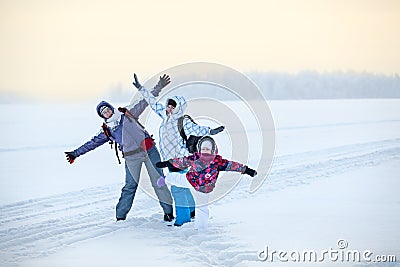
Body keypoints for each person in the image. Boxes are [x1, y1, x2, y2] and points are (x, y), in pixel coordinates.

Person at [64, 75, 174, 222]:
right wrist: (75, 153)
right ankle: (120, 217)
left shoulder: (128, 113)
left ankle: (168, 213)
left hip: (149, 151)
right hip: (132, 158)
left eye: (107, 109)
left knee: (158, 181)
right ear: (102, 116)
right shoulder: (107, 130)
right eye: (103, 113)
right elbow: (91, 143)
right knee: (130, 186)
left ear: (111, 108)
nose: (107, 113)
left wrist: (158, 87)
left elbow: (145, 101)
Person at [133, 74, 225, 226]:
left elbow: (198, 129)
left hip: (180, 159)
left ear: (178, 107)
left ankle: (183, 220)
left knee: (177, 189)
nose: (169, 108)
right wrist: (141, 89)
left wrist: (211, 131)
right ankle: (192, 211)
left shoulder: (183, 121)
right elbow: (153, 103)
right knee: (183, 185)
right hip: (170, 159)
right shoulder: (165, 116)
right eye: (168, 105)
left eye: (172, 106)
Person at [156, 136, 257, 229]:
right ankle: (166, 178)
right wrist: (167, 163)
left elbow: (233, 165)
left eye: (208, 149)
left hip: (205, 188)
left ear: (213, 150)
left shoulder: (218, 162)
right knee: (176, 179)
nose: (205, 151)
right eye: (203, 149)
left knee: (202, 208)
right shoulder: (194, 158)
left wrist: (246, 170)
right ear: (199, 150)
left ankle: (200, 228)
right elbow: (181, 161)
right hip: (191, 180)